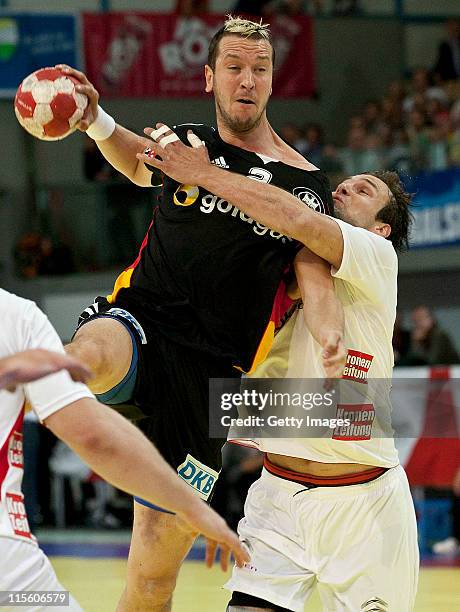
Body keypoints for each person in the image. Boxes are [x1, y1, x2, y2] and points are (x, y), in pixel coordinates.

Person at [57, 15, 342, 611]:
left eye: (259, 70)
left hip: (212, 382)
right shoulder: (187, 140)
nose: (247, 80)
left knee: (154, 574)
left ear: (271, 83)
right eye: (234, 68)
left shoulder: (306, 185)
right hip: (143, 320)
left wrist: (335, 337)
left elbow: (314, 273)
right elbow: (139, 161)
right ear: (211, 77)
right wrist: (94, 119)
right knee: (85, 357)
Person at [137, 128, 419, 610]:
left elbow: (295, 216)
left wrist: (204, 172)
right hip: (277, 496)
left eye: (363, 190)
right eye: (343, 184)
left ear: (381, 228)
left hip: (362, 505)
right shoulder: (281, 263)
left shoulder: (375, 255)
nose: (343, 189)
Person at [0, 289, 249, 609]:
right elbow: (95, 436)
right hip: (10, 569)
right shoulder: (16, 316)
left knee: (154, 581)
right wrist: (193, 507)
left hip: (207, 367)